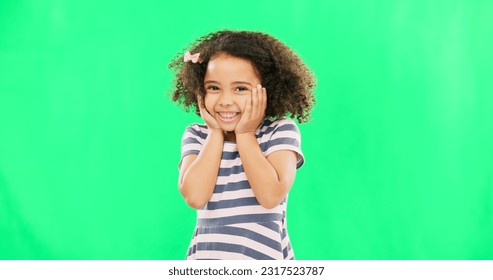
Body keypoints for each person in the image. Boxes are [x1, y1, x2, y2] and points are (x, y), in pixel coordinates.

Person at [168, 30, 316, 260]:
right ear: (200, 90)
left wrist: (245, 133)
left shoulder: (279, 132)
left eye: (240, 88)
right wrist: (215, 132)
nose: (225, 101)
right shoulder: (197, 135)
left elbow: (270, 196)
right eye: (214, 88)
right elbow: (195, 197)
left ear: (267, 90)